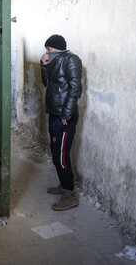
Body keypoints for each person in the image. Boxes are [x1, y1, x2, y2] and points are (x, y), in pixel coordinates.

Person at [40, 34, 82, 211]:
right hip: (54, 113)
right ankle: (64, 185)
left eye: (49, 48)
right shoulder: (54, 60)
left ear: (56, 47)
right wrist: (43, 65)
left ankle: (70, 193)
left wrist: (67, 113)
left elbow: (75, 88)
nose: (47, 52)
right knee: (56, 151)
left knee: (62, 155)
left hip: (65, 115)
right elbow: (46, 83)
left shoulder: (71, 60)